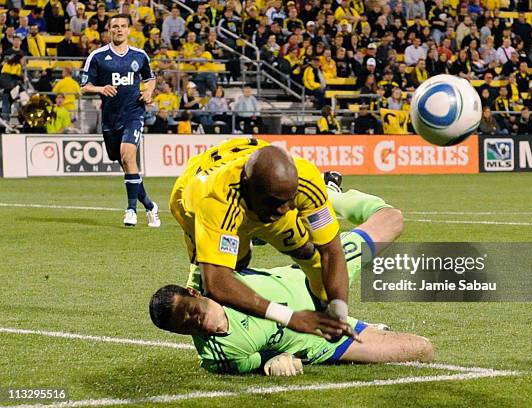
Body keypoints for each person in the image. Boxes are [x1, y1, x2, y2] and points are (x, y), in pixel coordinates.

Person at [151, 187, 434, 375]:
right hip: (325, 340)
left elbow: (202, 228)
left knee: (391, 219)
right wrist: (271, 361)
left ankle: (329, 196)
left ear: (194, 292)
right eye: (185, 328)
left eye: (191, 312)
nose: (195, 324)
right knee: (422, 350)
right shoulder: (218, 357)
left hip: (315, 277)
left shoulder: (208, 276)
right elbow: (255, 362)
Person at [168, 138, 355, 340]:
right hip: (198, 203)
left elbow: (332, 250)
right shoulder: (215, 200)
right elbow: (218, 282)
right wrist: (289, 317)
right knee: (233, 267)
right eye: (276, 202)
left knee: (308, 253)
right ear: (248, 187)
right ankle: (247, 240)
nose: (284, 210)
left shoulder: (304, 180)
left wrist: (338, 311)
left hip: (256, 197)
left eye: (289, 201)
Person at [81, 14, 159, 228]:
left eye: (123, 26)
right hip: (110, 119)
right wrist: (100, 88)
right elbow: (84, 87)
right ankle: (150, 206)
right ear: (109, 30)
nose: (119, 30)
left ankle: (131, 210)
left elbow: (150, 78)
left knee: (128, 155)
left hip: (134, 114)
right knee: (125, 163)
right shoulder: (97, 56)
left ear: (129, 30)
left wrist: (149, 92)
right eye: (115, 26)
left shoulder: (140, 55)